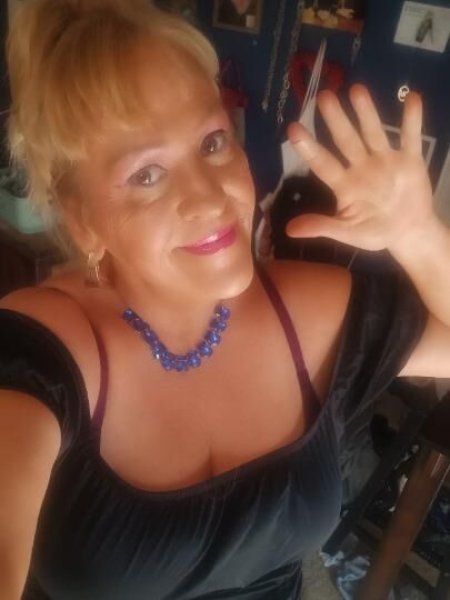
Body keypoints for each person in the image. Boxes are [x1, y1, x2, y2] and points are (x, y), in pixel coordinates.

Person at [1, 1, 449, 599]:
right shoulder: (44, 352)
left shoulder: (307, 312)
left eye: (212, 142)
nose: (211, 197)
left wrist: (419, 234)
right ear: (83, 222)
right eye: (146, 175)